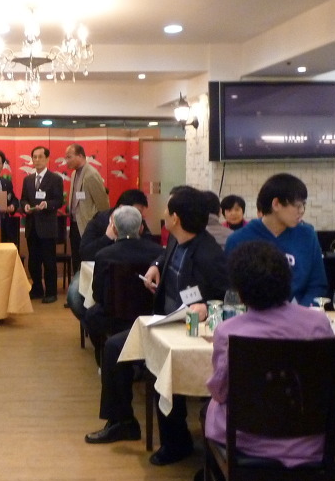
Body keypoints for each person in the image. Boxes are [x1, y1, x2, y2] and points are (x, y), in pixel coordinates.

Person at [86, 187, 228, 465]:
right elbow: (164, 255)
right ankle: (122, 421)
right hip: (164, 319)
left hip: (188, 328)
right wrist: (155, 264)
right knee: (114, 347)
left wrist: (206, 306)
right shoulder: (177, 238)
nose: (162, 213)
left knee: (163, 364)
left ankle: (176, 442)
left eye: (167, 210)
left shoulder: (209, 254)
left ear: (176, 218)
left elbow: (228, 294)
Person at [204, 241, 335, 466]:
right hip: (307, 439)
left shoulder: (228, 331)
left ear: (240, 291)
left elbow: (221, 391)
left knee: (210, 408)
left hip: (247, 438)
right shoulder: (318, 322)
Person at [224, 173, 328, 307]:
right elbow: (233, 289)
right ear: (276, 204)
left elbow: (318, 284)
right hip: (254, 315)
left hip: (299, 314)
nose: (302, 211)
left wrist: (299, 312)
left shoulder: (307, 235)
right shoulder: (239, 239)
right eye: (297, 206)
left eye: (303, 205)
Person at [81, 206, 163, 358]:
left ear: (114, 229)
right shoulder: (158, 253)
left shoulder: (104, 255)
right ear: (141, 228)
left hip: (114, 318)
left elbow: (97, 295)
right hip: (150, 315)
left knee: (91, 315)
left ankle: (103, 357)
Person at [67, 189, 159, 322]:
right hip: (95, 268)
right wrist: (107, 238)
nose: (139, 216)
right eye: (137, 211)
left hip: (131, 272)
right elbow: (85, 253)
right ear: (122, 208)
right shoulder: (99, 221)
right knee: (74, 296)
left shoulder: (138, 223)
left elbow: (149, 245)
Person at [21, 146, 64, 304]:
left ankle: (51, 292)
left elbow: (59, 201)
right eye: (35, 157)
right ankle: (37, 289)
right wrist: (25, 206)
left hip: (47, 227)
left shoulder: (55, 179)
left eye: (40, 157)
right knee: (34, 261)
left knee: (49, 261)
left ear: (47, 159)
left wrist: (47, 204)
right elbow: (23, 199)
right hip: (32, 226)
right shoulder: (28, 180)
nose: (37, 160)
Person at [64, 143, 109, 274]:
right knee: (76, 259)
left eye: (69, 157)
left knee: (87, 261)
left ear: (80, 156)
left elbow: (103, 205)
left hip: (88, 226)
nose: (66, 161)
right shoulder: (74, 174)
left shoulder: (91, 174)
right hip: (74, 224)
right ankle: (77, 285)